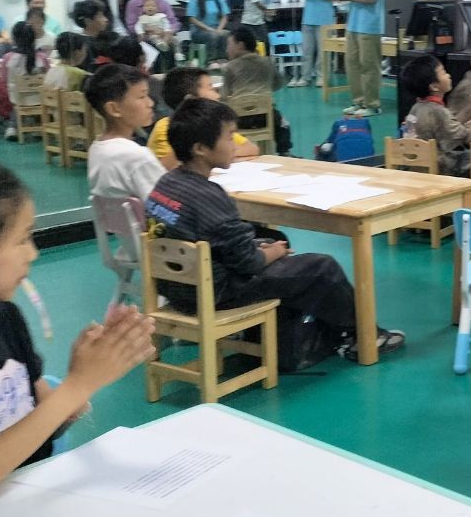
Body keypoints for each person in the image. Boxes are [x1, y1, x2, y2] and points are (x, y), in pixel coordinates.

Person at [145, 98, 404, 362]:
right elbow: (249, 262)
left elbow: (214, 240)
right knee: (322, 267)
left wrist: (261, 245)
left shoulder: (165, 184)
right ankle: (366, 336)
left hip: (177, 289)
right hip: (215, 293)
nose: (235, 145)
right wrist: (274, 253)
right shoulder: (210, 196)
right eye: (229, 137)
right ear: (200, 148)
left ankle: (294, 335)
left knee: (273, 239)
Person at [0, 160, 155, 499]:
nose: (33, 253)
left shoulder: (6, 317)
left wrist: (83, 380)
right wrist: (77, 385)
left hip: (24, 498)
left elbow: (42, 419)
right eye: (23, 239)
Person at [148, 67, 261, 171]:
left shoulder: (215, 125)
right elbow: (170, 167)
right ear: (191, 100)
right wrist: (220, 155)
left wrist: (218, 156)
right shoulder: (166, 127)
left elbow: (251, 148)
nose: (218, 96)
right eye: (211, 89)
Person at [84, 64, 165, 204]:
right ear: (114, 109)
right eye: (142, 96)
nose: (150, 103)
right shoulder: (137, 156)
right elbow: (167, 206)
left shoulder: (96, 149)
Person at [399, 54, 471, 176]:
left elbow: (448, 126)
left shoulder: (416, 108)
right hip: (438, 170)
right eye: (443, 72)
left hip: (416, 169)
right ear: (434, 86)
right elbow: (468, 138)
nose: (448, 75)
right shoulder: (437, 111)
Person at [220, 26, 290, 155]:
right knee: (283, 124)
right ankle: (284, 152)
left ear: (240, 45)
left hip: (239, 120)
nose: (226, 49)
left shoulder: (230, 67)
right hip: (266, 117)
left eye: (229, 44)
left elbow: (225, 95)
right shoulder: (267, 62)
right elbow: (278, 83)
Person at [341, 0, 386, 118]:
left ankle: (373, 104)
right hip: (353, 23)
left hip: (369, 25)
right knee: (352, 64)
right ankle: (358, 101)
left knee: (369, 66)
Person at [295, 0, 335, 88]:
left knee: (323, 52)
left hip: (324, 19)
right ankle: (305, 77)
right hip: (308, 18)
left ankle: (322, 77)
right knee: (307, 50)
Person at [0, 22, 48, 141]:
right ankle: (38, 127)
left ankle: (13, 127)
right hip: (39, 98)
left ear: (14, 38)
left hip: (17, 98)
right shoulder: (42, 57)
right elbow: (48, 77)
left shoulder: (7, 58)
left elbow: (4, 80)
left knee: (15, 101)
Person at [185, 0, 232, 65]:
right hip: (199, 31)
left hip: (215, 29)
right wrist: (209, 29)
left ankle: (223, 59)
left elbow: (225, 16)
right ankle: (211, 61)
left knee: (227, 34)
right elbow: (192, 19)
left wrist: (219, 29)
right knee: (213, 36)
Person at [71, 0, 112, 70]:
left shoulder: (103, 39)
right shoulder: (83, 45)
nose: (106, 19)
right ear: (88, 21)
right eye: (100, 16)